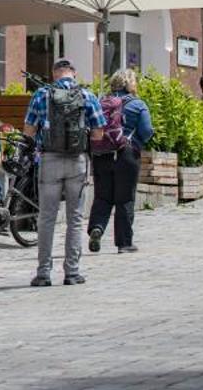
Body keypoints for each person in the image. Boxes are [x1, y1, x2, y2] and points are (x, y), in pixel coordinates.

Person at [24, 60, 105, 287]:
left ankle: (43, 273)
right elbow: (99, 134)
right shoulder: (87, 96)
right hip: (77, 162)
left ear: (54, 74)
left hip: (49, 160)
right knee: (75, 219)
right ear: (74, 74)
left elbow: (28, 131)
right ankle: (72, 272)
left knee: (47, 218)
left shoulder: (41, 94)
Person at [88, 68, 155, 254]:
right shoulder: (137, 104)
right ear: (129, 83)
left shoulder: (101, 102)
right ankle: (124, 243)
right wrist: (137, 142)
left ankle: (97, 228)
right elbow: (147, 130)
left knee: (102, 196)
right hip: (126, 154)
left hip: (102, 154)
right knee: (125, 198)